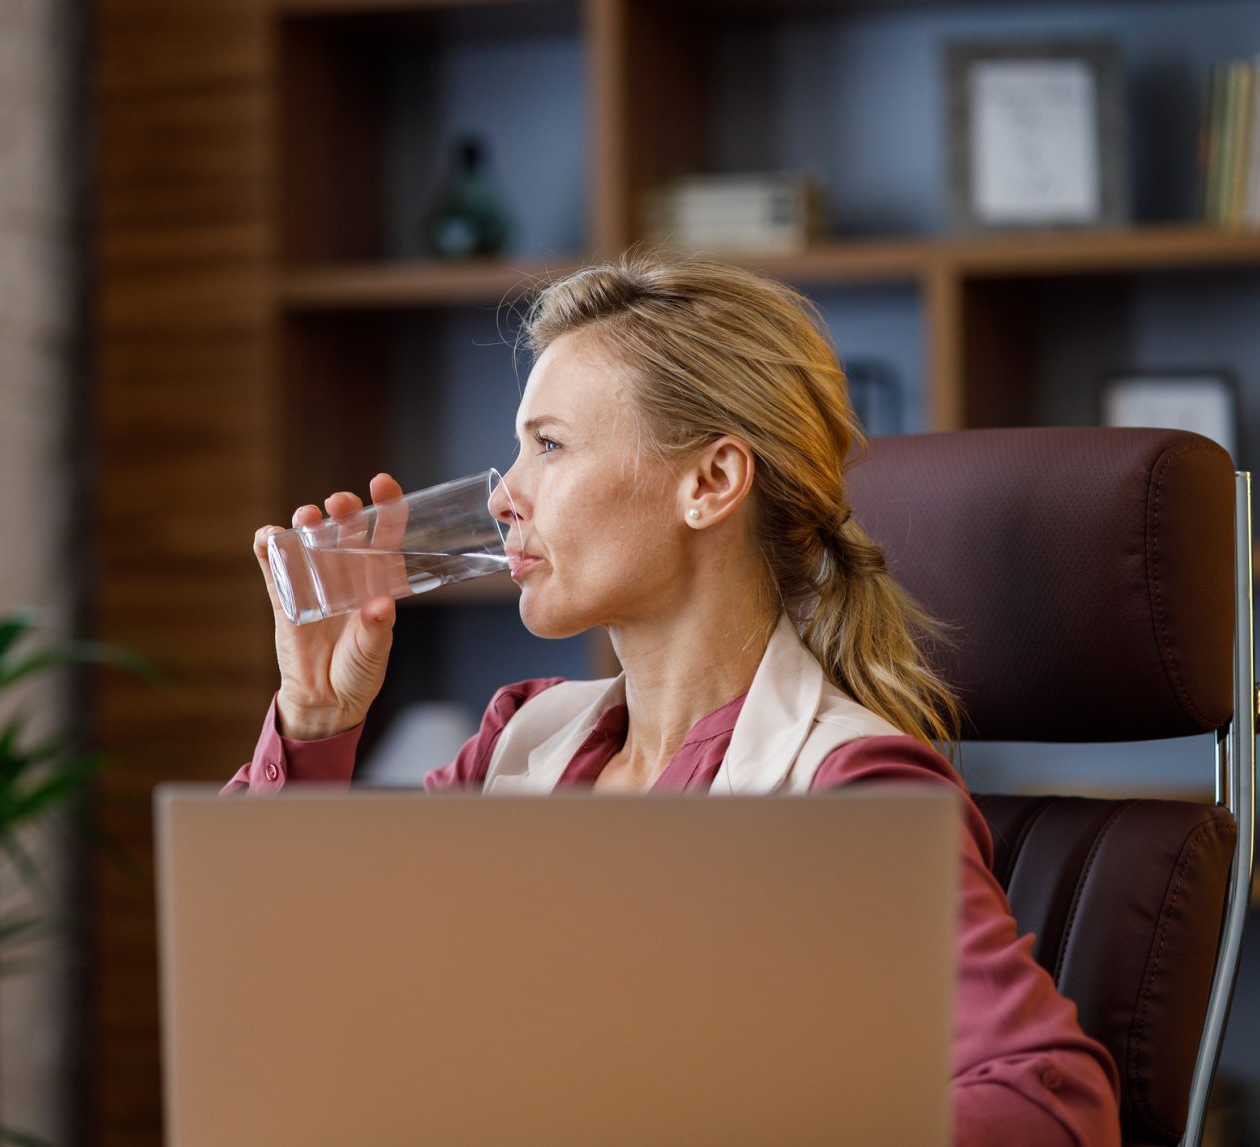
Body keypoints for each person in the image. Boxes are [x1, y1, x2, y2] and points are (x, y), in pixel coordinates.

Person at [225, 256, 1121, 1146]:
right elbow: (279, 1001)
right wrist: (313, 719)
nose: (504, 495)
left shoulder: (852, 791)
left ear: (711, 483)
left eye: (549, 445)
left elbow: (1052, 1103)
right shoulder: (514, 745)